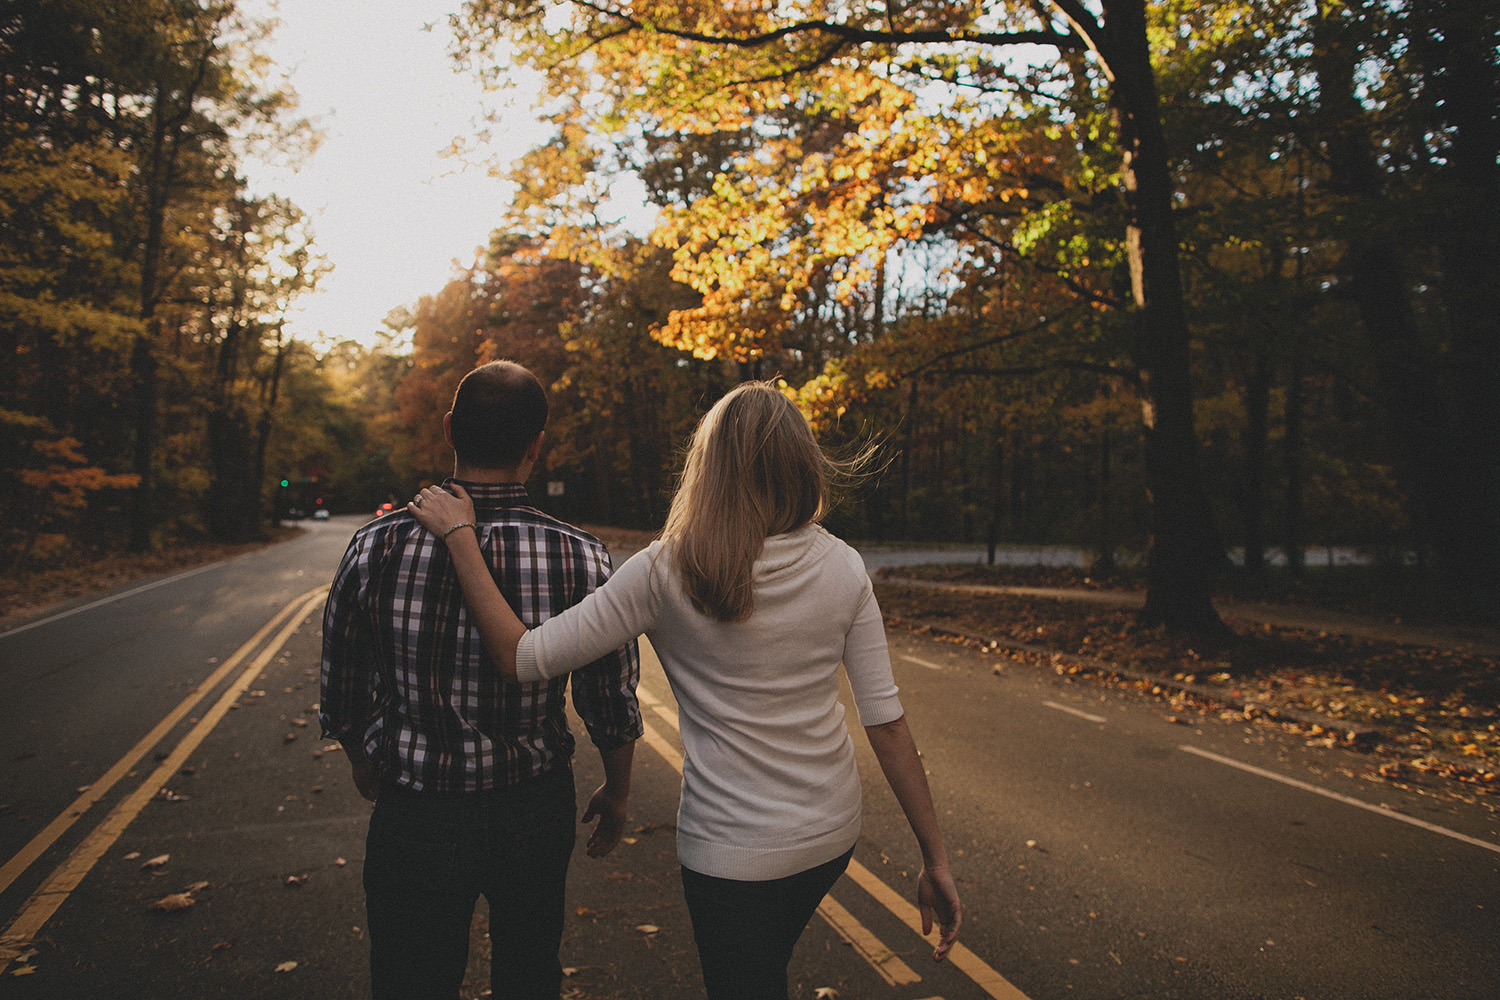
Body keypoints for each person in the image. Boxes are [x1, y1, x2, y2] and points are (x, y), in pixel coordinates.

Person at [408, 380, 961, 999]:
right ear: (801, 462)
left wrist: (461, 537)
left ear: (708, 467)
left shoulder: (663, 570)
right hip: (830, 836)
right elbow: (885, 722)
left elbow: (520, 657)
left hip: (729, 854)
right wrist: (934, 856)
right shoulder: (844, 564)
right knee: (763, 971)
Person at [321, 360, 642, 1000]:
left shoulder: (376, 545)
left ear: (449, 430)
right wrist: (618, 789)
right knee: (528, 974)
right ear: (537, 444)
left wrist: (362, 759)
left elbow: (343, 683)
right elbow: (609, 696)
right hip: (531, 804)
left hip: (415, 806)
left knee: (410, 979)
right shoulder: (581, 555)